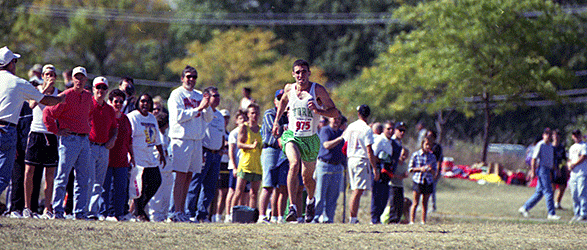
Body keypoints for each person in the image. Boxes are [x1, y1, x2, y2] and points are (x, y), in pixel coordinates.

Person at [272, 59, 339, 223]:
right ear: (293, 74)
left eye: (303, 71)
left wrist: (319, 110)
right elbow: (283, 102)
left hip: (310, 139)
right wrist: (276, 121)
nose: (300, 75)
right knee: (293, 164)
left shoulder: (318, 90)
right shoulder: (289, 88)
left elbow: (335, 112)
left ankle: (310, 200)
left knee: (307, 178)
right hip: (292, 136)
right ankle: (293, 207)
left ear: (309, 73)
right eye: (297, 72)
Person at [0, 46, 62, 198]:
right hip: (7, 129)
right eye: (15, 61)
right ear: (11, 63)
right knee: (2, 177)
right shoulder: (18, 82)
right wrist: (61, 99)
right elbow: (44, 100)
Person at [43, 66, 93, 220]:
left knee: (83, 178)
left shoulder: (88, 96)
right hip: (69, 139)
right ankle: (57, 210)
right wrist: (57, 131)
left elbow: (89, 114)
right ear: (72, 79)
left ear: (85, 80)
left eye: (81, 77)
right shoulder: (65, 95)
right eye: (76, 77)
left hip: (84, 139)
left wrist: (86, 127)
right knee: (62, 176)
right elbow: (47, 113)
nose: (79, 80)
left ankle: (80, 212)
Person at [167, 65, 212, 222]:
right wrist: (198, 108)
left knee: (189, 177)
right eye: (188, 76)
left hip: (196, 140)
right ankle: (175, 211)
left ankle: (183, 210)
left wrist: (207, 105)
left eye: (194, 77)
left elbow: (207, 118)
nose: (191, 80)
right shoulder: (176, 94)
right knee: (180, 176)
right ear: (182, 78)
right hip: (182, 138)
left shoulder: (199, 95)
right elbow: (178, 116)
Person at [22, 64, 61, 219]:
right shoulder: (37, 89)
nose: (49, 77)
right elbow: (32, 105)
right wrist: (45, 88)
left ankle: (47, 208)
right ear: (42, 76)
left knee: (50, 174)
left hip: (50, 135)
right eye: (46, 74)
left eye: (52, 74)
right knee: (29, 172)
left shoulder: (59, 93)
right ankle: (27, 207)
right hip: (36, 133)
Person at [187, 86, 225, 223]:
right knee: (195, 184)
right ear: (207, 97)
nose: (217, 98)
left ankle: (202, 214)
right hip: (204, 152)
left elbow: (221, 133)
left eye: (218, 95)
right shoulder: (203, 113)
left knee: (210, 186)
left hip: (216, 155)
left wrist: (221, 150)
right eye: (214, 95)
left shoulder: (220, 115)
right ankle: (189, 212)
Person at [87, 77, 119, 220]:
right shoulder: (88, 105)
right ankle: (81, 210)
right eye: (98, 87)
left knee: (98, 183)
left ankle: (92, 212)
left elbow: (114, 128)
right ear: (93, 89)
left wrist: (113, 139)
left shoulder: (109, 110)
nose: (101, 91)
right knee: (86, 180)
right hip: (89, 146)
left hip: (104, 148)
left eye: (104, 88)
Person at [100, 89, 134, 221]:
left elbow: (129, 140)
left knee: (121, 188)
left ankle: (119, 213)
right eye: (116, 101)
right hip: (107, 157)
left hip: (122, 159)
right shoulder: (107, 116)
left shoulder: (125, 119)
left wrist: (132, 156)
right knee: (106, 188)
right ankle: (106, 213)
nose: (118, 104)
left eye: (121, 101)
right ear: (110, 102)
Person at [343, 105, 378, 224]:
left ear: (358, 113)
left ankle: (353, 217)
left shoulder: (351, 126)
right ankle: (352, 218)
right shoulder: (367, 129)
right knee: (357, 190)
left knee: (356, 189)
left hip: (351, 158)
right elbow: (369, 149)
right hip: (360, 159)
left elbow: (346, 141)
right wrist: (374, 168)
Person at [258, 89, 289, 224]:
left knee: (280, 186)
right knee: (268, 185)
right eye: (279, 99)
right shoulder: (270, 113)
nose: (281, 101)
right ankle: (261, 216)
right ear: (275, 101)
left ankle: (276, 216)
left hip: (283, 151)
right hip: (271, 150)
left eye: (284, 99)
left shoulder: (288, 115)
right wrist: (287, 126)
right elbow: (276, 131)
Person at [518, 128, 560, 220]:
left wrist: (555, 170)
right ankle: (551, 213)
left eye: (549, 134)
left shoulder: (550, 147)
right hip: (542, 169)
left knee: (539, 193)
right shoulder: (540, 145)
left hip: (548, 169)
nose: (548, 136)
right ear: (543, 135)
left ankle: (524, 207)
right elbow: (533, 159)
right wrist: (533, 172)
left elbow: (551, 160)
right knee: (548, 191)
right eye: (546, 134)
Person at [230, 103, 263, 218]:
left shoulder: (260, 129)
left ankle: (251, 216)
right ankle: (231, 214)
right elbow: (239, 144)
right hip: (245, 164)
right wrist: (251, 146)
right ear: (248, 114)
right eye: (252, 113)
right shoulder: (244, 127)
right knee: (238, 191)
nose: (254, 115)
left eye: (256, 113)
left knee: (254, 193)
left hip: (257, 165)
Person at [313, 115, 344, 223]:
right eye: (334, 118)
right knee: (320, 195)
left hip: (337, 166)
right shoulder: (325, 130)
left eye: (338, 119)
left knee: (333, 196)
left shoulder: (341, 132)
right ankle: (315, 217)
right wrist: (340, 139)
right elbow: (326, 145)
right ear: (330, 119)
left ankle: (328, 219)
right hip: (324, 165)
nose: (336, 121)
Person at [148, 112, 172, 222]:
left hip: (167, 170)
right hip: (160, 169)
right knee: (158, 195)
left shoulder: (164, 136)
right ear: (166, 124)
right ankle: (155, 215)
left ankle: (162, 215)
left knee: (166, 195)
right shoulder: (158, 137)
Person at [225, 110, 248, 222]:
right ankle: (228, 214)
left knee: (244, 192)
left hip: (246, 166)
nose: (243, 120)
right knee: (232, 191)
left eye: (245, 118)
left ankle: (241, 214)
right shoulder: (234, 133)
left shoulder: (248, 132)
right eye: (240, 118)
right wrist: (234, 167)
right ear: (236, 121)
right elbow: (231, 151)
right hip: (235, 166)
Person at [408, 137, 437, 224]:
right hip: (418, 180)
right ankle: (412, 221)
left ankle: (423, 221)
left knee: (425, 203)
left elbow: (434, 171)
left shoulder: (432, 156)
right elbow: (410, 169)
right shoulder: (416, 155)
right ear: (422, 144)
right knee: (415, 202)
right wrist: (420, 169)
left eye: (430, 145)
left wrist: (431, 170)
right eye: (426, 144)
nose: (428, 147)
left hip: (428, 181)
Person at [371, 121, 394, 224]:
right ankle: (374, 219)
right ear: (384, 130)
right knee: (377, 195)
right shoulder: (380, 140)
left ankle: (379, 217)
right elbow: (373, 155)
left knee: (384, 196)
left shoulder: (391, 141)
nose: (390, 131)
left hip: (387, 171)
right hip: (380, 169)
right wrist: (376, 168)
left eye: (392, 129)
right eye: (388, 129)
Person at [210, 109, 231, 223]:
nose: (226, 120)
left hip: (226, 164)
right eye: (224, 117)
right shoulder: (217, 131)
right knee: (215, 192)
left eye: (227, 118)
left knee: (224, 192)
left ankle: (218, 215)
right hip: (218, 162)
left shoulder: (228, 133)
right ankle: (212, 214)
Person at [567, 130, 587, 223]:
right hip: (573, 174)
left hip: (582, 173)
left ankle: (583, 213)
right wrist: (569, 165)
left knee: (581, 193)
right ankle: (577, 213)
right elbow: (570, 159)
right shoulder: (572, 147)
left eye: (578, 135)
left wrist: (574, 164)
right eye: (574, 135)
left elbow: (583, 157)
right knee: (574, 194)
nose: (576, 137)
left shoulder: (584, 145)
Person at [551, 129, 568, 210]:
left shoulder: (561, 147)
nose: (556, 136)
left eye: (557, 135)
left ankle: (557, 203)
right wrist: (555, 169)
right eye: (554, 135)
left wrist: (564, 167)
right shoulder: (550, 147)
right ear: (552, 136)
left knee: (563, 186)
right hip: (552, 169)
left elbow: (564, 159)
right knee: (552, 187)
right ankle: (551, 204)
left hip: (560, 168)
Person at [427, 130, 443, 212]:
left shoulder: (437, 147)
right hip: (426, 170)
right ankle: (423, 205)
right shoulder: (426, 146)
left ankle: (432, 206)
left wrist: (437, 172)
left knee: (432, 189)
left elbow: (439, 160)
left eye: (430, 136)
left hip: (434, 170)